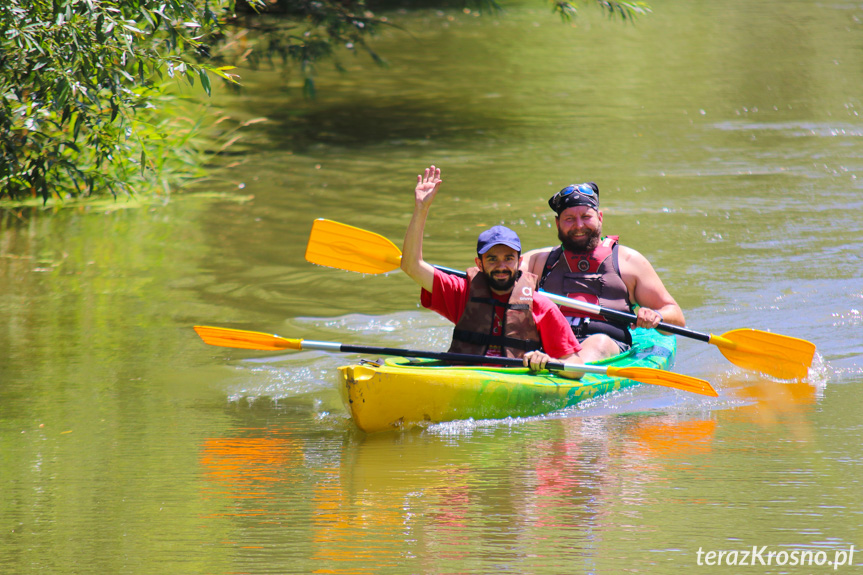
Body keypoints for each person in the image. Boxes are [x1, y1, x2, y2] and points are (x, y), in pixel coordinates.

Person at [401, 165, 587, 378]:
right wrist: (421, 209)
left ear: (520, 261)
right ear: (479, 264)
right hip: (463, 378)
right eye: (492, 259)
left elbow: (577, 368)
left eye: (508, 259)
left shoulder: (542, 307)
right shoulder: (460, 292)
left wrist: (547, 360)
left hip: (515, 384)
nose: (501, 266)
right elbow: (411, 265)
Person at [521, 182, 685, 364]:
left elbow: (676, 317)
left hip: (607, 346)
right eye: (569, 219)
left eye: (586, 216)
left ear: (600, 217)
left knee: (599, 342)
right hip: (551, 346)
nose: (579, 225)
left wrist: (657, 316)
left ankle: (569, 368)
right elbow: (498, 271)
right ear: (557, 223)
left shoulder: (628, 261)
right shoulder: (539, 260)